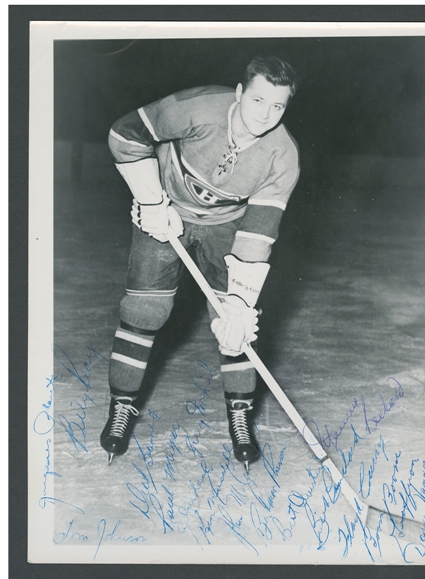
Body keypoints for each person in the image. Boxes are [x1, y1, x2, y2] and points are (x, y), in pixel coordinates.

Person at [100, 56, 300, 470]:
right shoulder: (196, 107)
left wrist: (241, 304)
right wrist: (151, 200)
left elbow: (259, 231)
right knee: (144, 309)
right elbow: (125, 134)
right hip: (165, 211)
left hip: (226, 226)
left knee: (236, 327)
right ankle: (121, 409)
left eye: (277, 106)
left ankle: (241, 418)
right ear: (240, 92)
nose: (265, 115)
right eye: (258, 100)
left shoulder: (283, 155)